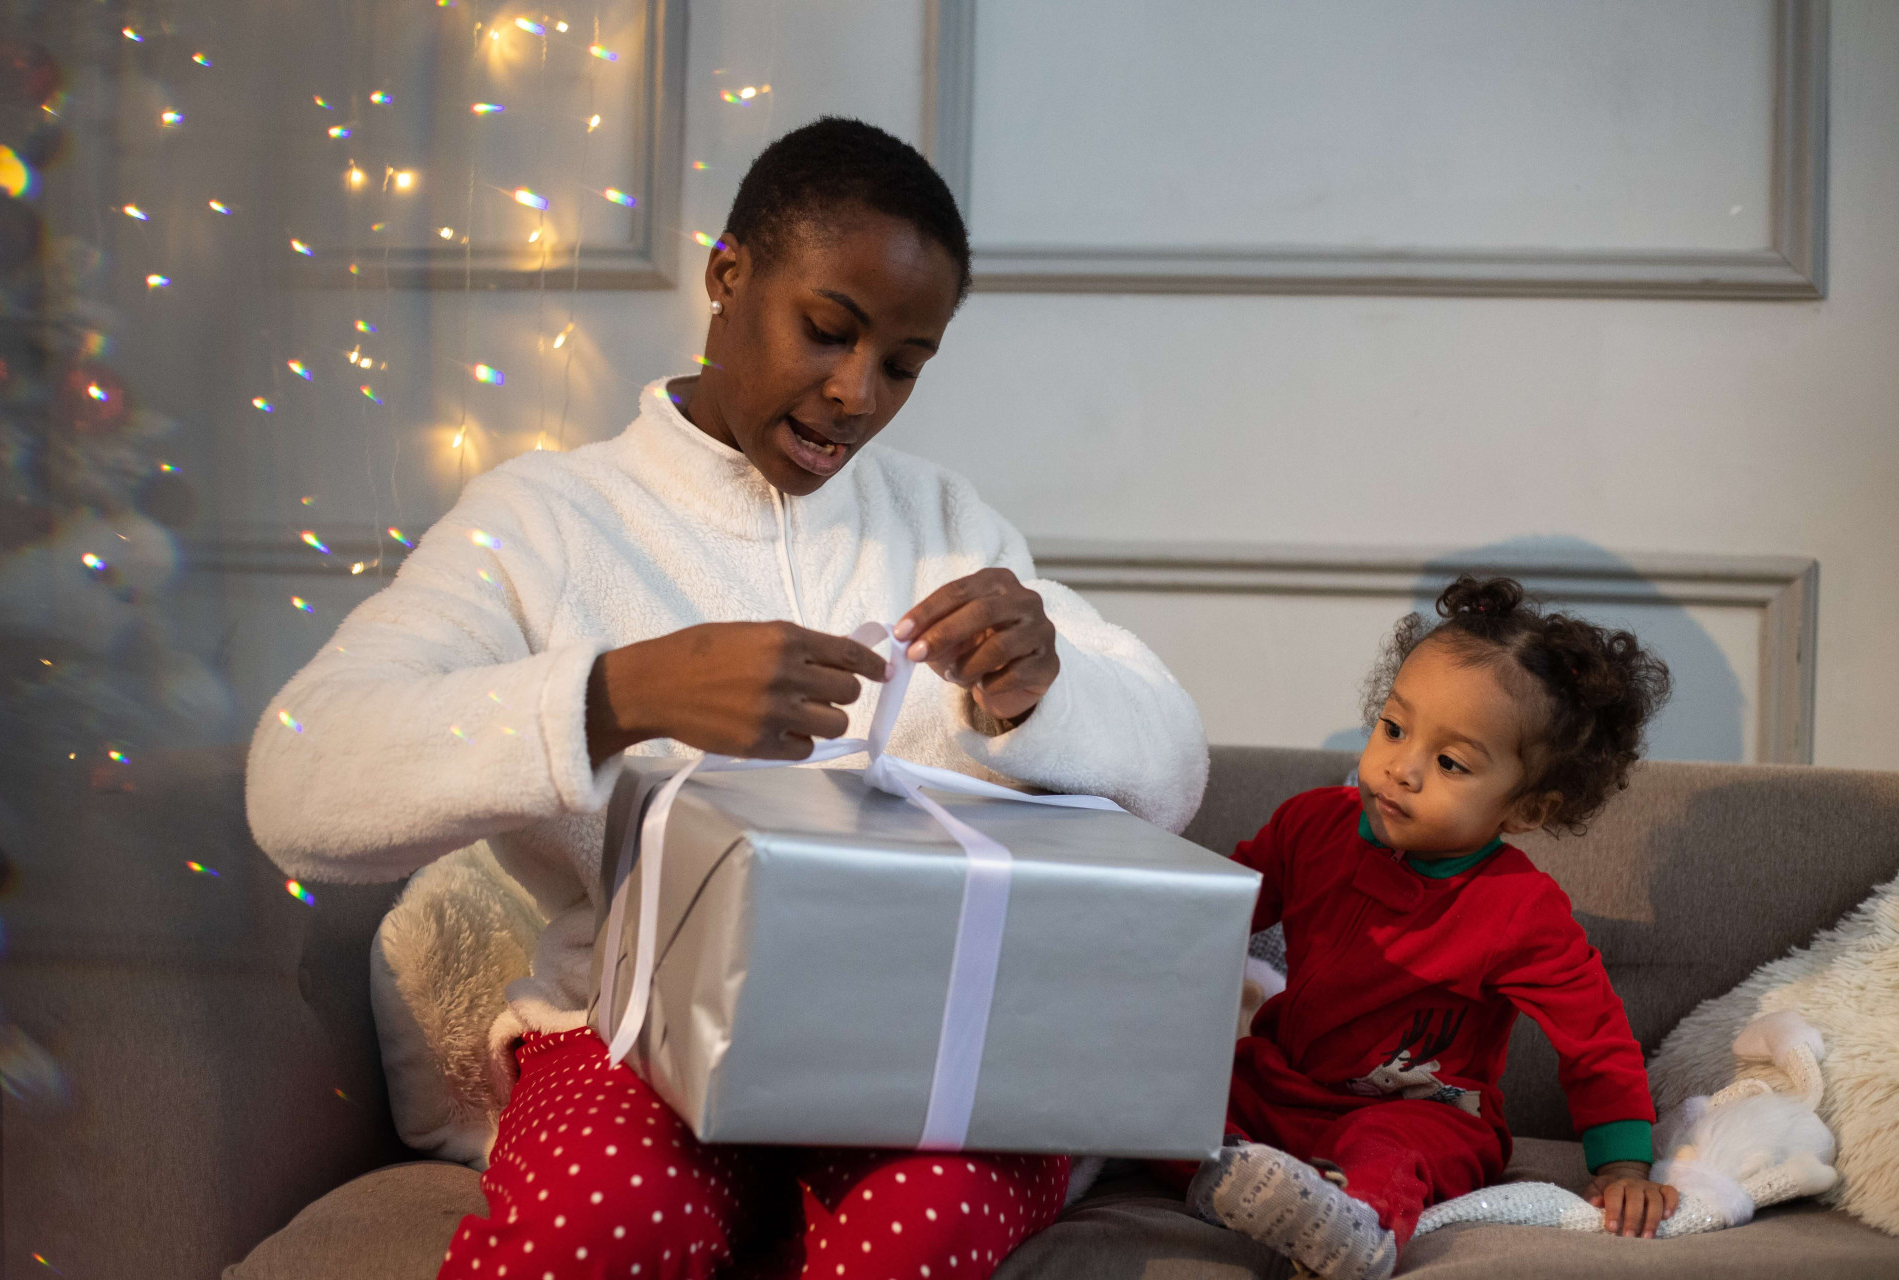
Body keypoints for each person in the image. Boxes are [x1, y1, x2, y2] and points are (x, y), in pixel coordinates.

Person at [244, 117, 1206, 1279]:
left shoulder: (948, 526)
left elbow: (1174, 767)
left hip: (919, 1042)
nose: (856, 392)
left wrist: (1044, 690)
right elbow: (298, 781)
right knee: (595, 1224)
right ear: (726, 274)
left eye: (903, 363)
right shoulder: (546, 520)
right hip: (632, 1035)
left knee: (931, 1221)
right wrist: (620, 693)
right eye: (828, 329)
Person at [1184, 576, 1677, 1279]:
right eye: (1393, 728)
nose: (1401, 768)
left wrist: (1624, 1165)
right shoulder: (1310, 823)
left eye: (1450, 763)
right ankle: (1233, 1180)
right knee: (1179, 1092)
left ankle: (1354, 1227)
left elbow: (1595, 1040)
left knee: (1391, 1144)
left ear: (1528, 810)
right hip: (1283, 1086)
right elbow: (1218, 912)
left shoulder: (1519, 909)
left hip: (1426, 1114)